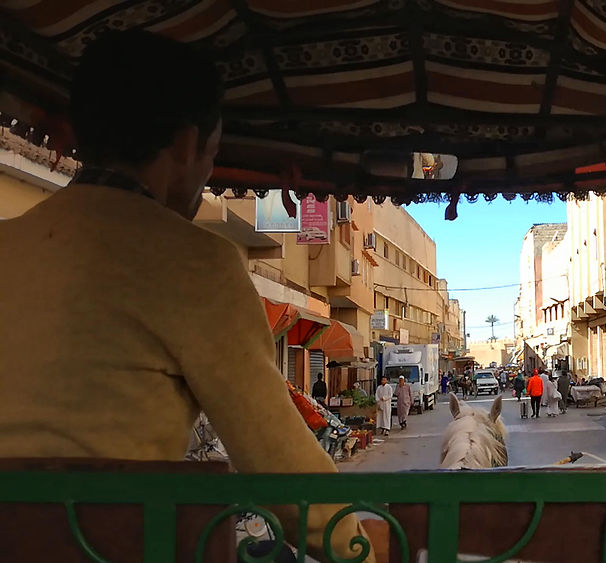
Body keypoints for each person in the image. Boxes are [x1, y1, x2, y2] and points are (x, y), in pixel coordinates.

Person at [0, 30, 371, 562]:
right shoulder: (199, 264)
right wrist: (361, 546)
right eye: (212, 156)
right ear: (184, 146)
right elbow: (282, 470)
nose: (205, 179)